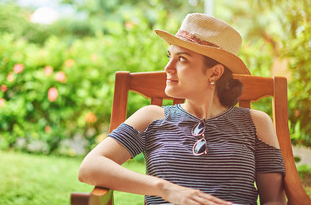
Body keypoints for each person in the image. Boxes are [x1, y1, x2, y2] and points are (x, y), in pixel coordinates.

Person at [78, 13, 286, 205]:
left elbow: (273, 199)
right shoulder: (152, 117)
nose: (168, 68)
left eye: (182, 59)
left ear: (214, 73)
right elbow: (90, 168)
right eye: (169, 56)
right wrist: (166, 189)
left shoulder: (256, 122)